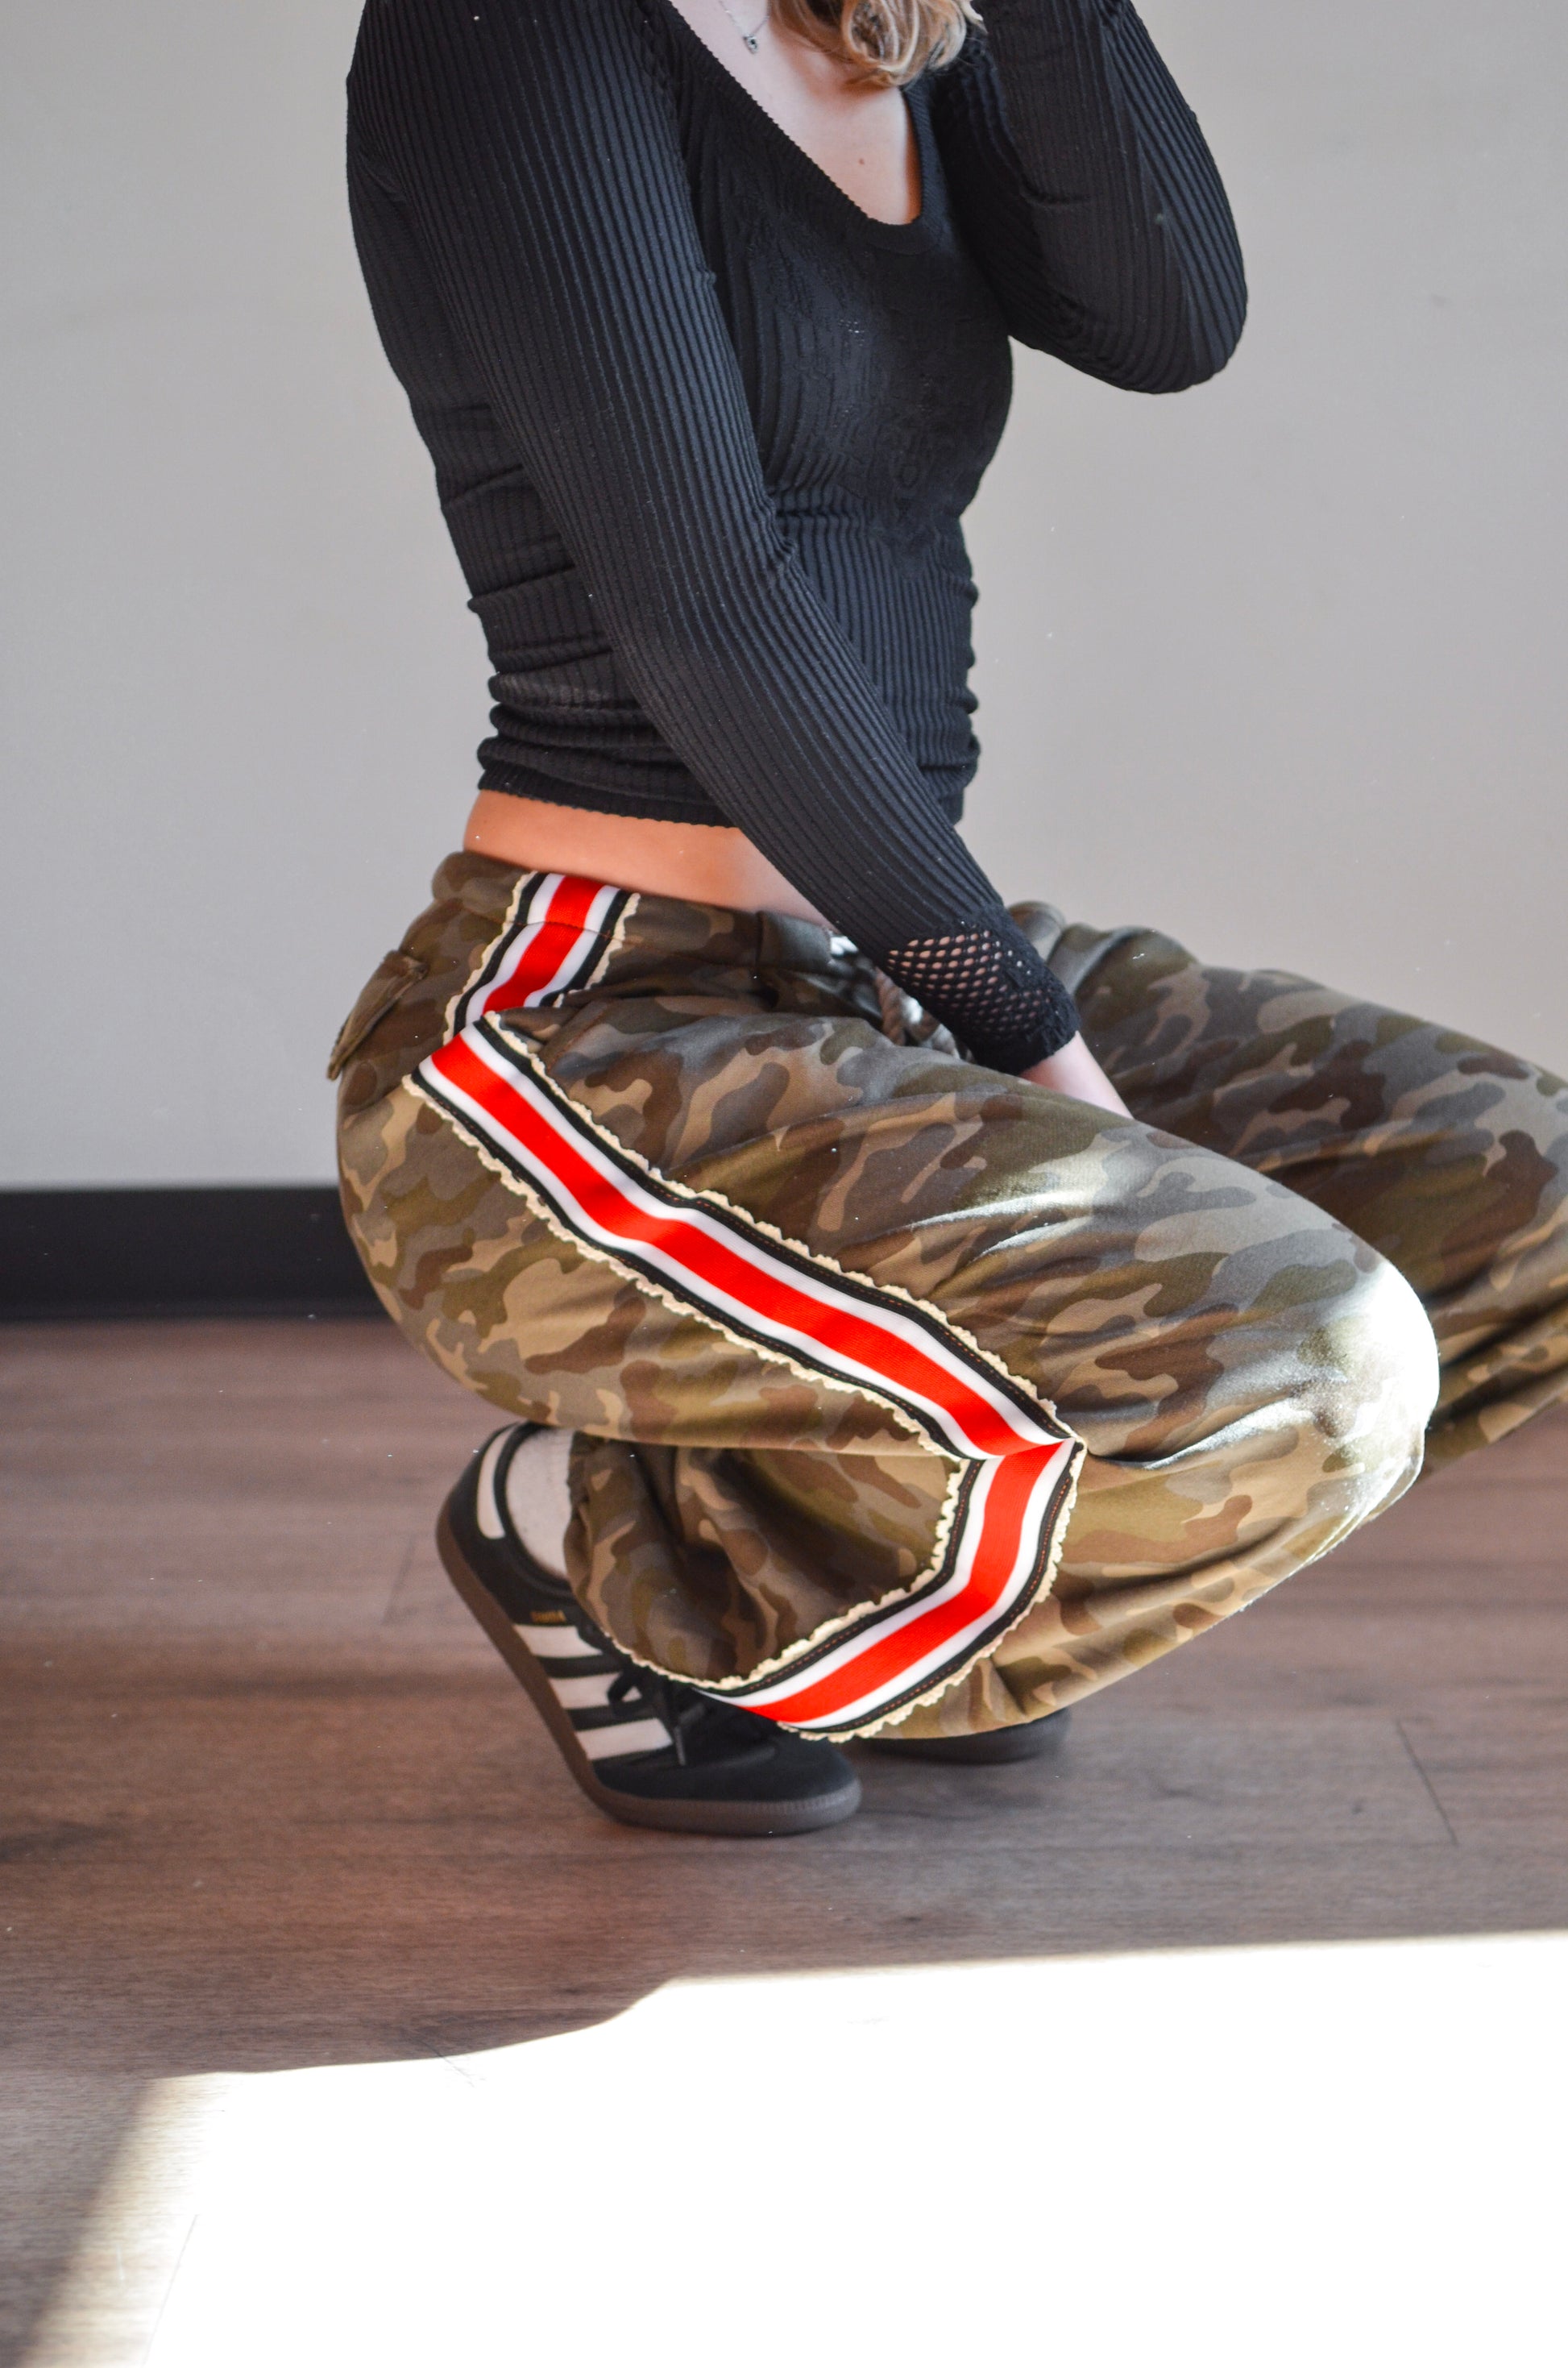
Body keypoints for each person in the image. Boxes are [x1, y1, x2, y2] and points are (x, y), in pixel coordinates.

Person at [335, 0, 1568, 1836]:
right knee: (1314, 1361)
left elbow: (1170, 323)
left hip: (881, 980)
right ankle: (593, 1548)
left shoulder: (896, 31)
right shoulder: (511, 31)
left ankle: (847, 1584)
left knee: (1520, 1193)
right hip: (586, 1028)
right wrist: (1020, 1027)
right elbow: (704, 607)